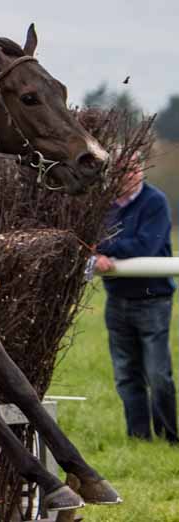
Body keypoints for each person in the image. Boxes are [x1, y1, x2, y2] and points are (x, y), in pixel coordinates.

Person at [94, 158, 178, 443]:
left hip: (153, 300)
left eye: (133, 169)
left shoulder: (155, 202)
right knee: (126, 375)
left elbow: (146, 245)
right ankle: (138, 438)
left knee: (158, 375)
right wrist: (98, 252)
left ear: (140, 171)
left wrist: (104, 250)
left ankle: (169, 436)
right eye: (122, 170)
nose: (129, 176)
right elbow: (89, 238)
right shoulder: (104, 205)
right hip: (116, 300)